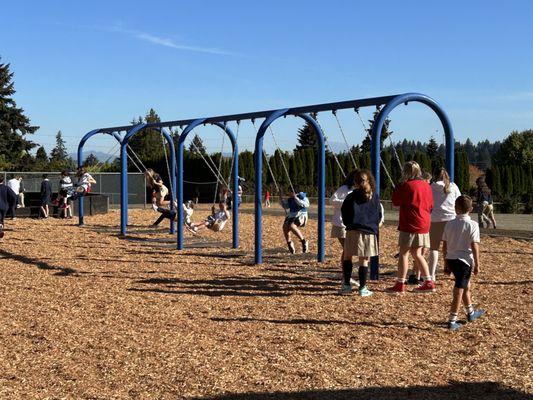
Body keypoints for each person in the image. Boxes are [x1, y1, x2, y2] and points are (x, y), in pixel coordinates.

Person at [388, 161, 435, 294]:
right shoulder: (426, 186)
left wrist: (398, 187)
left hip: (410, 222)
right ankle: (428, 281)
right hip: (424, 222)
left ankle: (400, 283)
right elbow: (431, 205)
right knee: (417, 253)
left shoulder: (406, 185)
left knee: (404, 253)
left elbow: (396, 201)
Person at [442, 195, 485, 330]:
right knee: (459, 290)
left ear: (456, 209)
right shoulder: (472, 225)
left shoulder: (449, 223)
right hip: (464, 260)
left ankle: (470, 312)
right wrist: (477, 264)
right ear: (471, 209)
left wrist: (445, 263)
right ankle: (452, 320)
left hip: (451, 258)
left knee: (465, 286)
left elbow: (445, 245)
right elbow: (474, 245)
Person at [339, 170, 383, 297]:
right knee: (364, 260)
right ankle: (362, 288)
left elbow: (345, 212)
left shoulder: (351, 196)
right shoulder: (374, 196)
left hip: (353, 229)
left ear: (355, 182)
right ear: (369, 180)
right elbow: (378, 214)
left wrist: (349, 224)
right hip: (369, 231)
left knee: (347, 256)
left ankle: (346, 285)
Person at [427, 167, 461, 283]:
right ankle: (455, 272)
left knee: (434, 248)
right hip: (451, 219)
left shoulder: (431, 187)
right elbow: (459, 200)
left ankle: (431, 275)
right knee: (452, 248)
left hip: (436, 219)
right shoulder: (453, 186)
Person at [330, 170, 357, 282]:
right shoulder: (344, 188)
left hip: (350, 224)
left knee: (348, 249)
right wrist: (347, 202)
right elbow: (332, 200)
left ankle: (346, 274)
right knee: (347, 249)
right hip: (341, 224)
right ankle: (346, 275)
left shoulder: (356, 190)